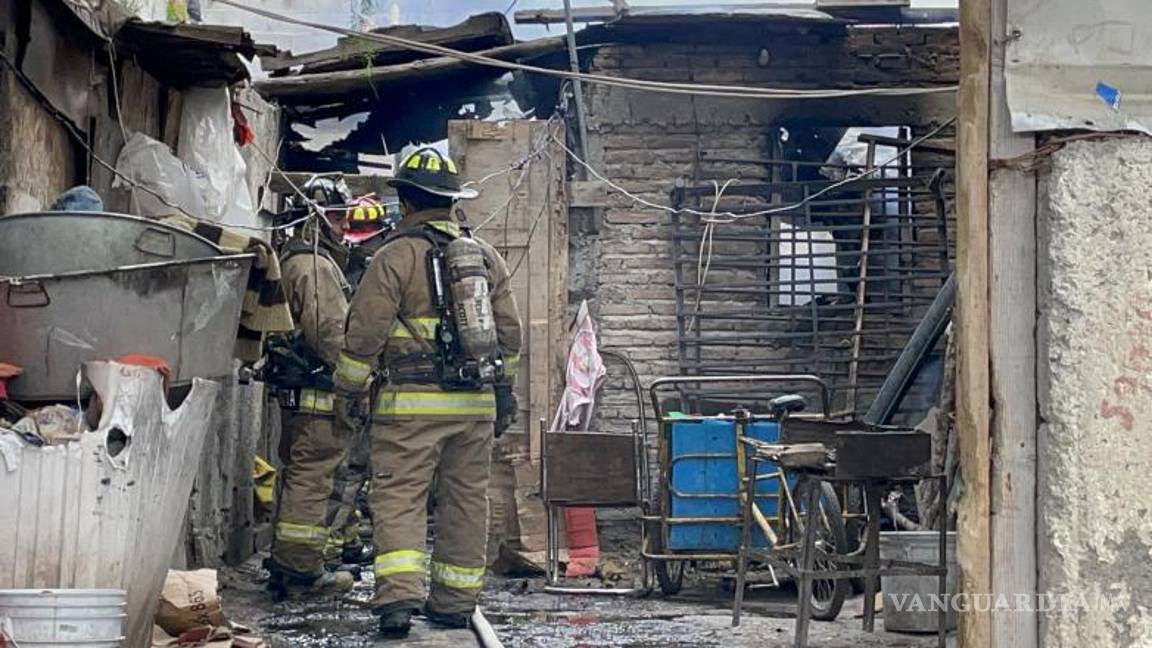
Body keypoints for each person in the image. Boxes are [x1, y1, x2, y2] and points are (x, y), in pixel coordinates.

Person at [332, 148, 522, 638]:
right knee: (466, 499)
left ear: (408, 201)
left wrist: (348, 391)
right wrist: (504, 391)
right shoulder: (485, 257)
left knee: (400, 496)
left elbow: (364, 336)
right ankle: (456, 602)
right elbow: (510, 334)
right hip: (475, 405)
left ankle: (398, 601)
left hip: (409, 407)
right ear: (453, 202)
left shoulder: (395, 256)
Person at [265, 177, 357, 599]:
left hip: (297, 397)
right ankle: (301, 570)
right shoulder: (315, 266)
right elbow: (330, 335)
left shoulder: (292, 259)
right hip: (319, 397)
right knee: (314, 478)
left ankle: (287, 563)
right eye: (336, 217)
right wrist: (360, 380)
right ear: (315, 219)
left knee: (299, 474)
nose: (343, 226)